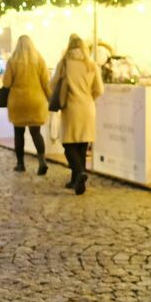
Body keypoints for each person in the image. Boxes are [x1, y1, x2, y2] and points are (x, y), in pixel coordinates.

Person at [52, 34, 104, 195]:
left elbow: (53, 84)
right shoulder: (91, 64)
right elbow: (99, 89)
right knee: (82, 145)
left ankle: (79, 172)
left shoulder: (64, 63)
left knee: (68, 145)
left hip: (71, 108)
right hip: (88, 107)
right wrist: (88, 97)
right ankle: (76, 180)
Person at [3, 34, 51, 174]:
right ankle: (42, 161)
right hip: (36, 101)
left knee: (19, 133)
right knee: (36, 132)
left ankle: (20, 163)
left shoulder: (13, 61)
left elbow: (7, 82)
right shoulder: (39, 60)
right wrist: (50, 98)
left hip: (18, 102)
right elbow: (46, 82)